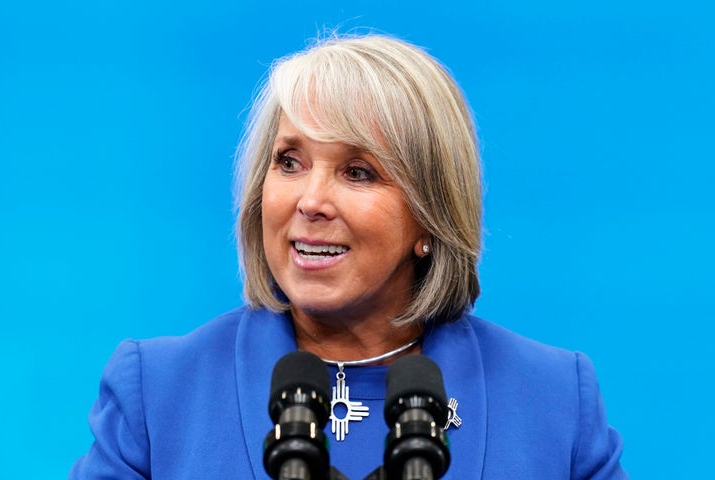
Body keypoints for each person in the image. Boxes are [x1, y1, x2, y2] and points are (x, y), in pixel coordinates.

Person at [70, 34, 627, 479]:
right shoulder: (158, 390)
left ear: (429, 218)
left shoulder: (553, 399)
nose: (310, 201)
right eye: (289, 162)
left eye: (358, 172)